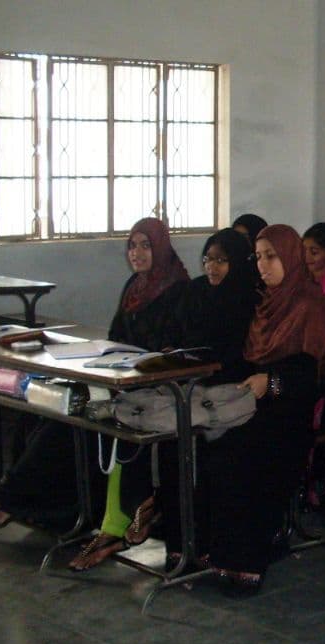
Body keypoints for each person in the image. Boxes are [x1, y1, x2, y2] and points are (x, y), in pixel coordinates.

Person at [0, 218, 190, 540]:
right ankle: (20, 505)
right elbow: (117, 336)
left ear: (161, 247)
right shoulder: (134, 287)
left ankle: (0, 501)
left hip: (147, 389)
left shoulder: (179, 290)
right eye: (132, 246)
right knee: (40, 411)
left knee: (64, 426)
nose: (137, 253)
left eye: (146, 246)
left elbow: (174, 348)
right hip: (116, 377)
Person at [71, 227, 264, 572]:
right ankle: (140, 524)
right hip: (177, 383)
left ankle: (151, 522)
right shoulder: (194, 292)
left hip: (222, 396)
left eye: (221, 260)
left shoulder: (247, 298)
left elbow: (237, 356)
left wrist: (183, 360)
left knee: (168, 439)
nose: (212, 267)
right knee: (102, 420)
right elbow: (171, 337)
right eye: (208, 259)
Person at [200, 224, 325, 595]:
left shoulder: (311, 305)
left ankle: (246, 561)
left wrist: (272, 382)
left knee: (244, 453)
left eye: (271, 256)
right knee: (216, 446)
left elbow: (323, 375)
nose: (263, 265)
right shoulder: (262, 305)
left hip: (290, 415)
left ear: (289, 257)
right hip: (254, 408)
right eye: (258, 257)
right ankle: (223, 554)